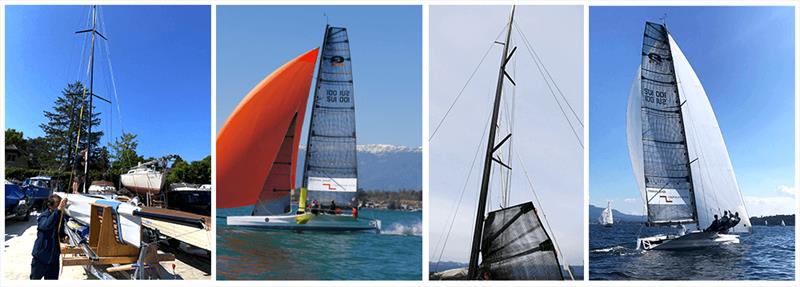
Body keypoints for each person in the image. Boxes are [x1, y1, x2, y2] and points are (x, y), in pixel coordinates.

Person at [30, 195, 67, 280]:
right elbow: (46, 225)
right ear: (50, 205)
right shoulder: (43, 216)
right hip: (40, 258)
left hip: (54, 259)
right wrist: (58, 210)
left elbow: (60, 233)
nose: (60, 206)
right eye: (58, 204)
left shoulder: (59, 216)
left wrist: (64, 237)